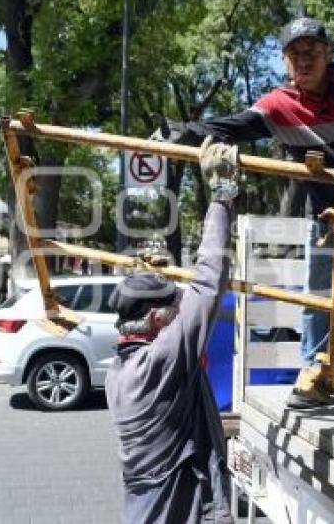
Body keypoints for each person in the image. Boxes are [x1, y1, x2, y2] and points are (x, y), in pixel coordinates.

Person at [178, 17, 334, 409]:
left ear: (328, 53)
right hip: (327, 214)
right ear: (285, 62)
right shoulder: (279, 106)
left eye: (312, 52)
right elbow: (232, 127)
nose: (304, 60)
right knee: (317, 293)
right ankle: (315, 375)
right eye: (295, 54)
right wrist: (182, 130)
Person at [105, 139, 238, 523]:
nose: (182, 313)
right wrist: (222, 195)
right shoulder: (161, 360)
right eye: (174, 309)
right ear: (157, 320)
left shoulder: (119, 372)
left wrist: (150, 271)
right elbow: (208, 283)